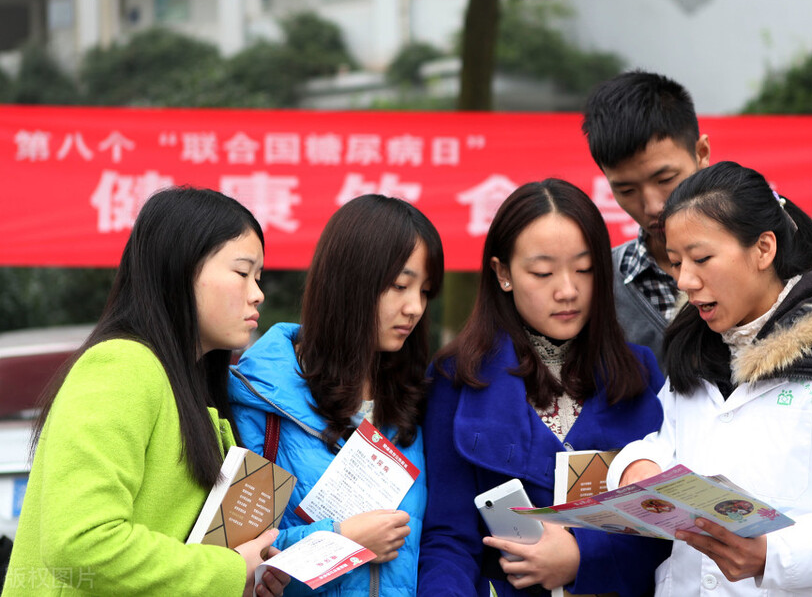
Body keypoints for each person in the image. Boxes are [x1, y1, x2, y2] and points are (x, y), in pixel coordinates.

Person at [608, 161, 812, 596]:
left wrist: (771, 554)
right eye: (676, 262)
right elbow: (666, 442)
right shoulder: (696, 350)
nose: (685, 281)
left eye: (702, 258)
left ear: (764, 249)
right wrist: (637, 465)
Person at [2, 188, 287, 597]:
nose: (257, 293)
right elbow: (80, 541)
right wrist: (225, 570)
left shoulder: (190, 386)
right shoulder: (123, 366)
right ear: (180, 268)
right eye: (243, 273)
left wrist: (243, 579)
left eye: (258, 278)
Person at [417, 179, 668, 596]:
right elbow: (448, 539)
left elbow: (668, 524)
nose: (567, 290)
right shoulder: (457, 376)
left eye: (584, 269)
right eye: (542, 272)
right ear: (502, 273)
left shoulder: (641, 373)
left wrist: (582, 555)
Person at [228, 195, 443, 596]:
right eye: (399, 286)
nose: (414, 307)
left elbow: (440, 544)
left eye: (425, 291)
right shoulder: (259, 401)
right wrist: (342, 539)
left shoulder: (420, 399)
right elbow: (234, 561)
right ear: (349, 281)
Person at [582, 70, 711, 362]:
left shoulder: (776, 257)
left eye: (665, 179)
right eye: (626, 190)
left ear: (701, 153)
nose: (652, 206)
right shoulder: (597, 284)